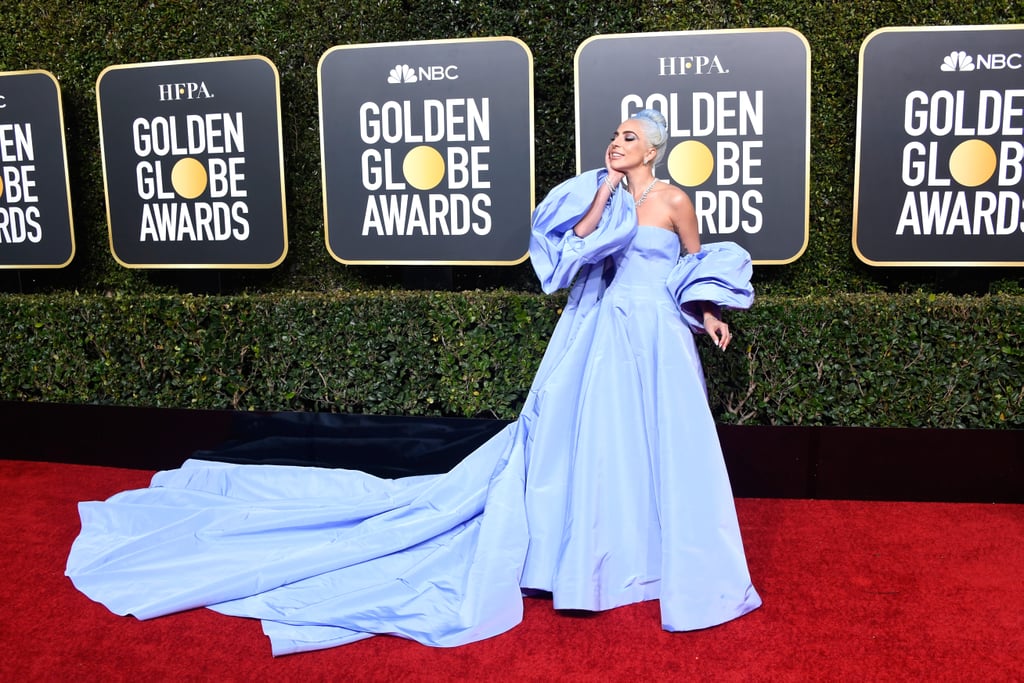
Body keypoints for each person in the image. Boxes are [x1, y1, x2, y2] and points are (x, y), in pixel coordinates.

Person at [66, 109, 761, 656]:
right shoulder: (597, 196)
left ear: (654, 149)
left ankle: (657, 557)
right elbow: (570, 246)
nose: (616, 142)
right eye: (613, 135)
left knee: (660, 447)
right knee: (600, 447)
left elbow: (690, 268)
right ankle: (595, 562)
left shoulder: (676, 199)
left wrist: (708, 312)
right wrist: (604, 189)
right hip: (602, 337)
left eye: (629, 138)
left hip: (659, 338)